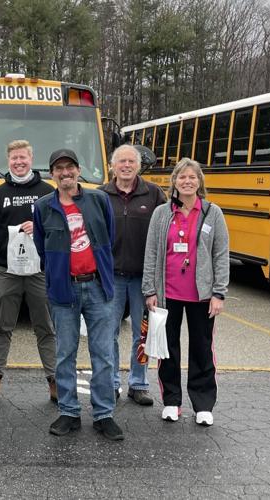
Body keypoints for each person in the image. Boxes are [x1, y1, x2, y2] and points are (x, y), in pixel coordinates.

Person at [33, 149, 124, 441]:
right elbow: (41, 246)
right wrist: (58, 273)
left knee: (103, 354)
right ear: (52, 174)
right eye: (58, 168)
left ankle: (104, 414)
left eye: (69, 167)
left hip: (97, 286)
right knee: (65, 354)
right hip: (64, 289)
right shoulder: (43, 207)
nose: (65, 173)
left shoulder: (99, 200)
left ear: (78, 170)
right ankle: (69, 412)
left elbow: (109, 237)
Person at [142, 158, 229, 426]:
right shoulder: (161, 213)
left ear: (199, 181)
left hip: (201, 295)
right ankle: (171, 401)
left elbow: (221, 254)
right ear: (174, 182)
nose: (187, 181)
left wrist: (219, 293)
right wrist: (150, 289)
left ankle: (203, 405)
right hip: (167, 293)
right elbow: (151, 252)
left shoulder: (212, 213)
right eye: (182, 177)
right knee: (167, 348)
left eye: (192, 177)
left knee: (202, 349)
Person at [0, 139, 57, 407]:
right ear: (8, 161)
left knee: (45, 327)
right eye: (14, 158)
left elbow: (58, 230)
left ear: (31, 159)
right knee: (2, 327)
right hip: (6, 270)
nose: (19, 162)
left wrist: (39, 228)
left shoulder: (47, 192)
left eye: (23, 157)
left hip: (38, 271)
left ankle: (55, 379)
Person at [98, 145, 166, 405]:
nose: (126, 166)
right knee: (109, 333)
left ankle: (138, 383)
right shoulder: (101, 195)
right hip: (111, 276)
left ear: (138, 166)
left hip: (143, 278)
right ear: (112, 166)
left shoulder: (154, 194)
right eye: (121, 161)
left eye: (131, 161)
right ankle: (112, 382)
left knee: (143, 333)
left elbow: (166, 231)